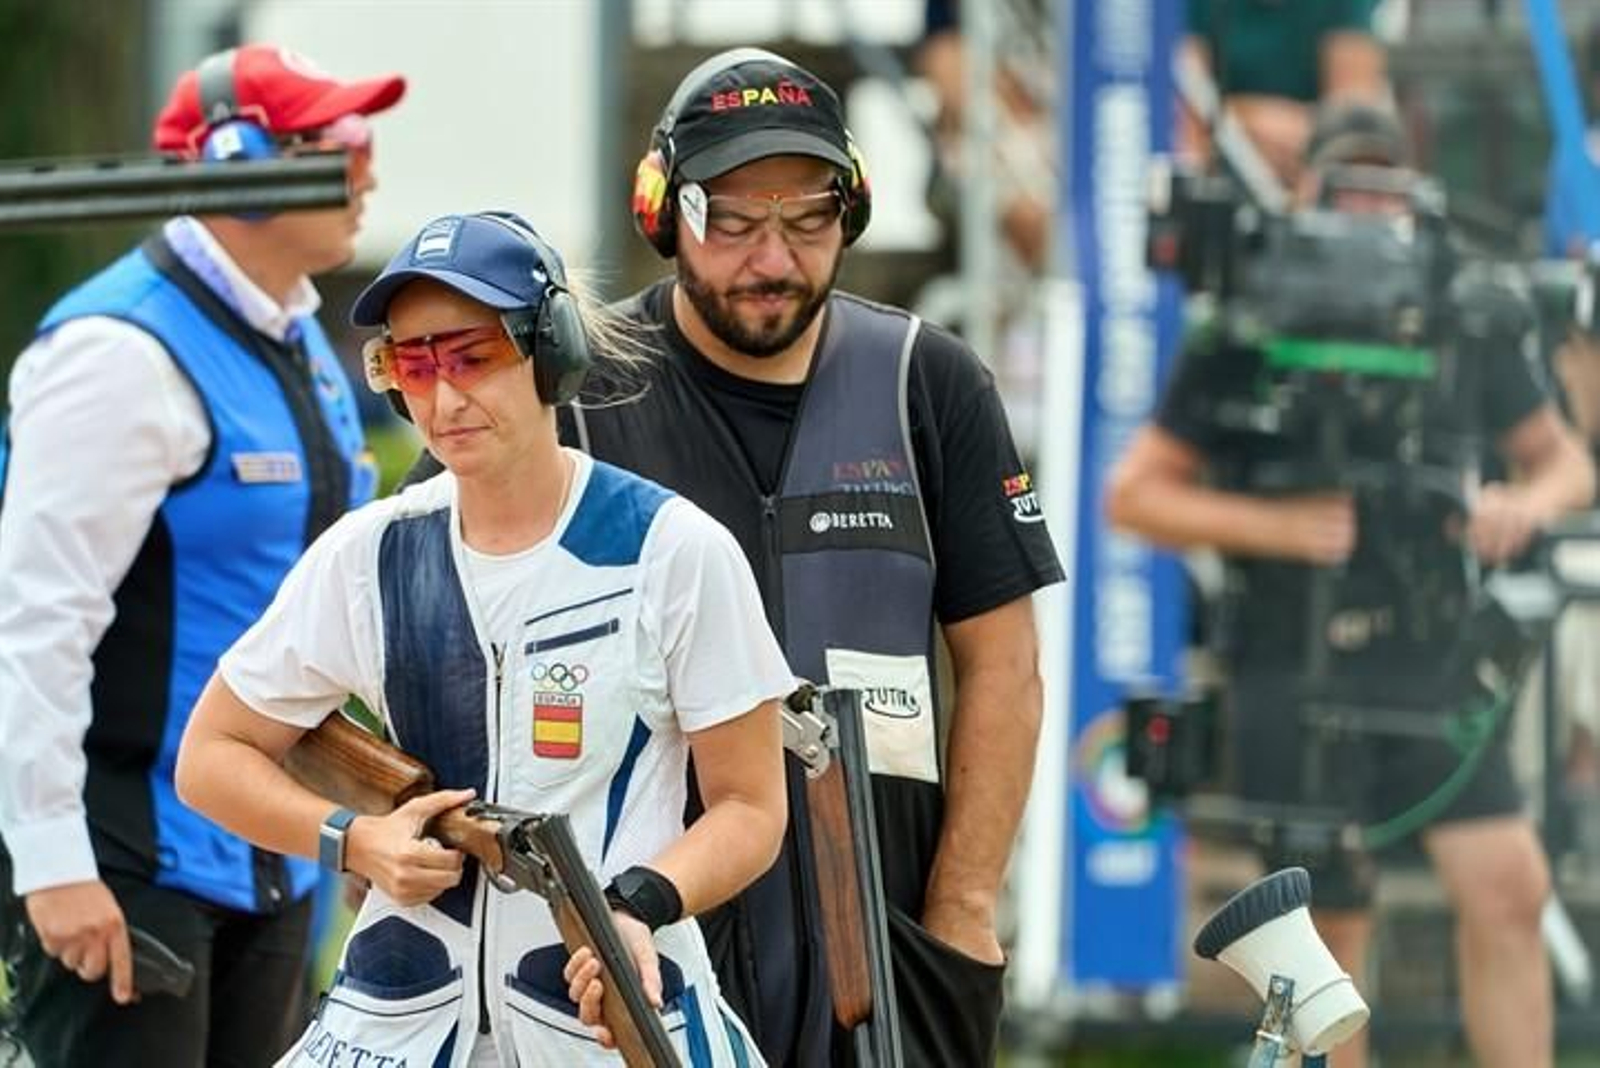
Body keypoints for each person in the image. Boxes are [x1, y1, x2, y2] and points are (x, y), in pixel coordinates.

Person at [175, 210, 792, 1067]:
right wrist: (354, 840)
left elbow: (752, 807)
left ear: (552, 350)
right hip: (398, 1018)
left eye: (473, 356)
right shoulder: (370, 552)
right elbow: (210, 756)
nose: (442, 396)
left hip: (610, 1019)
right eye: (412, 364)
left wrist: (634, 910)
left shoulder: (673, 550)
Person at [581, 47, 1063, 1067]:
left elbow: (1005, 669)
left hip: (884, 946)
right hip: (644, 943)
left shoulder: (928, 384)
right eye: (737, 222)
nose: (773, 259)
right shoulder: (582, 398)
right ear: (662, 212)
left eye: (808, 222)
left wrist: (963, 912)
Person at [1107, 100, 1597, 1068]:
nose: (1367, 218)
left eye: (1385, 193)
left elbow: (1565, 463)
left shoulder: (1462, 310)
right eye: (1348, 194)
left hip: (1430, 653)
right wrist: (1276, 528)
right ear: (1306, 199)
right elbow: (1134, 495)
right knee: (1324, 932)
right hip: (1292, 654)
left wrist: (1519, 508)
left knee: (1508, 885)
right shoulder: (1243, 317)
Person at [0, 44, 402, 1066]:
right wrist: (50, 863)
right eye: (344, 144)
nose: (369, 172)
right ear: (237, 160)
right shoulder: (119, 353)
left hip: (269, 854)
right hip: (131, 864)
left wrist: (347, 821)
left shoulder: (297, 332)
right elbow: (34, 622)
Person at [1179, 0, 1389, 188]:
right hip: (1217, 183)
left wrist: (1231, 125)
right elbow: (1183, 112)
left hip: (1307, 188)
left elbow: (1353, 129)